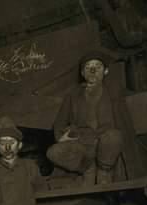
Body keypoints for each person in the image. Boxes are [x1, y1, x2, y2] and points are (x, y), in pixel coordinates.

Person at [46, 51, 127, 185]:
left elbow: (124, 122)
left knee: (113, 137)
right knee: (53, 152)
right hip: (82, 143)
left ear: (105, 71)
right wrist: (61, 137)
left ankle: (103, 172)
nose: (93, 70)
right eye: (88, 67)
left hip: (106, 143)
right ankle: (88, 168)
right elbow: (60, 121)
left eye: (98, 66)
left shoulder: (114, 92)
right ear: (83, 73)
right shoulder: (72, 95)